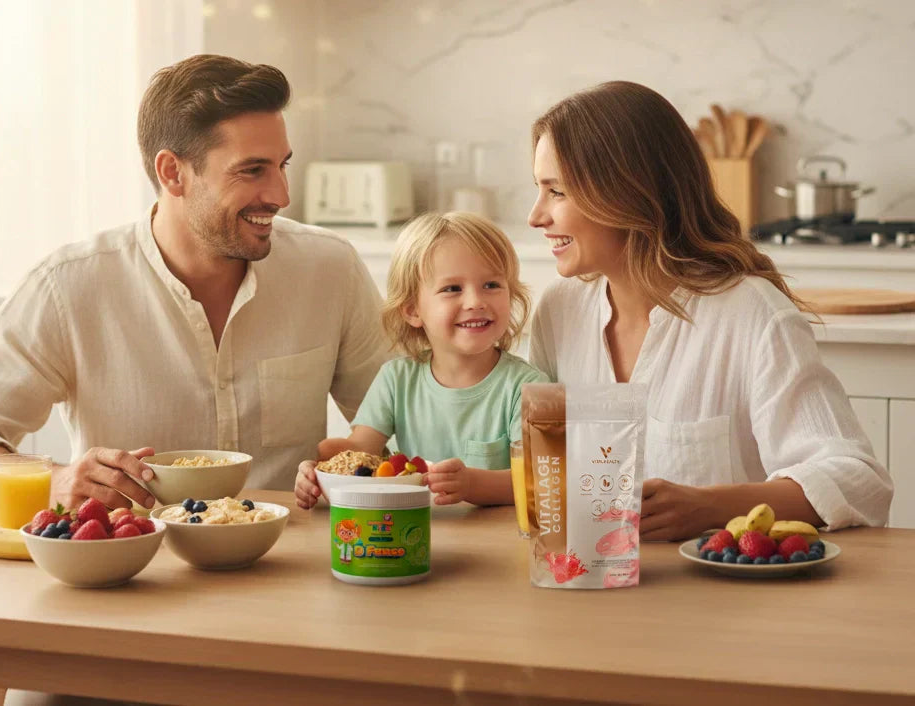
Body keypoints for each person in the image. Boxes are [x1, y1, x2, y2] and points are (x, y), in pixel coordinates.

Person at [0, 54, 389, 510]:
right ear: (172, 172)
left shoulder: (330, 270)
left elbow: (416, 412)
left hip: (296, 572)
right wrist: (53, 480)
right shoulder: (70, 287)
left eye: (282, 165)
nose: (281, 194)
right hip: (134, 576)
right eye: (252, 170)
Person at [525, 81, 893, 540]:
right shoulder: (558, 312)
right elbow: (537, 469)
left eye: (556, 191)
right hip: (583, 586)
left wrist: (710, 507)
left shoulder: (751, 314)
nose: (535, 216)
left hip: (724, 601)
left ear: (625, 192)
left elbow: (858, 480)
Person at [294, 211, 549, 510]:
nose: (476, 301)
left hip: (499, 543)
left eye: (491, 285)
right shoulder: (396, 379)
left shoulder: (529, 389)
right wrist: (318, 470)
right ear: (413, 310)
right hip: (410, 536)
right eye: (452, 289)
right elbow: (359, 452)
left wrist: (471, 485)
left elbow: (541, 483)